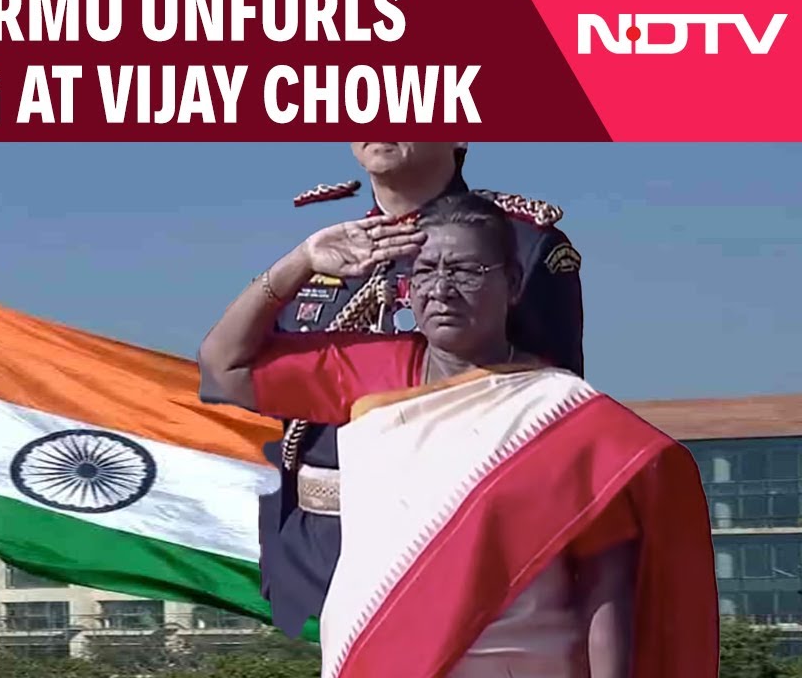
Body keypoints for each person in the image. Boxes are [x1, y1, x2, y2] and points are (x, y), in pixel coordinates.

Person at [198, 192, 717, 677]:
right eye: (424, 271)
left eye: (465, 271)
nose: (441, 288)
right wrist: (301, 260)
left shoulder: (563, 420)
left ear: (513, 285)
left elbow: (607, 589)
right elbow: (224, 369)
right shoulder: (368, 370)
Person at [243, 142, 585, 639]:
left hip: (449, 557)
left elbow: (554, 420)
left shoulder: (523, 245)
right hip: (320, 566)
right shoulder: (321, 251)